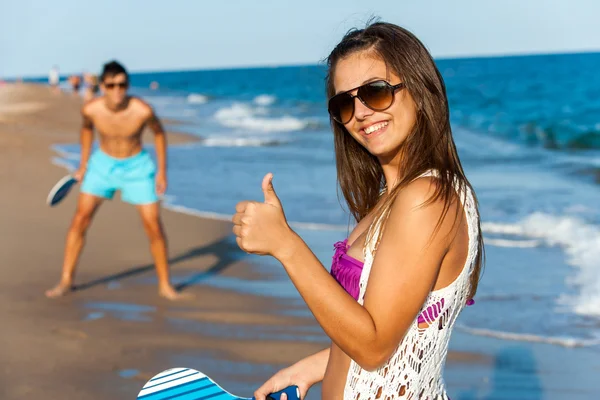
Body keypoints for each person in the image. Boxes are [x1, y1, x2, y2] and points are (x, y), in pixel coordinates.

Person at [232, 21, 485, 399]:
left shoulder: (427, 199)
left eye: (376, 92)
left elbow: (374, 345)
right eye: (344, 103)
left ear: (419, 89)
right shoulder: (395, 197)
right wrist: (315, 366)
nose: (361, 112)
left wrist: (286, 246)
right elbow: (404, 331)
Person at [46, 60, 183, 300]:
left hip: (137, 167)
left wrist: (162, 171)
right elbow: (87, 129)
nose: (117, 90)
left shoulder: (142, 110)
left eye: (122, 84)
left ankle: (165, 286)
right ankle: (66, 281)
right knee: (80, 219)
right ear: (102, 86)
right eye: (111, 85)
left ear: (128, 85)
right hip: (103, 165)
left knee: (153, 225)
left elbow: (159, 133)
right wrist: (84, 164)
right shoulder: (91, 109)